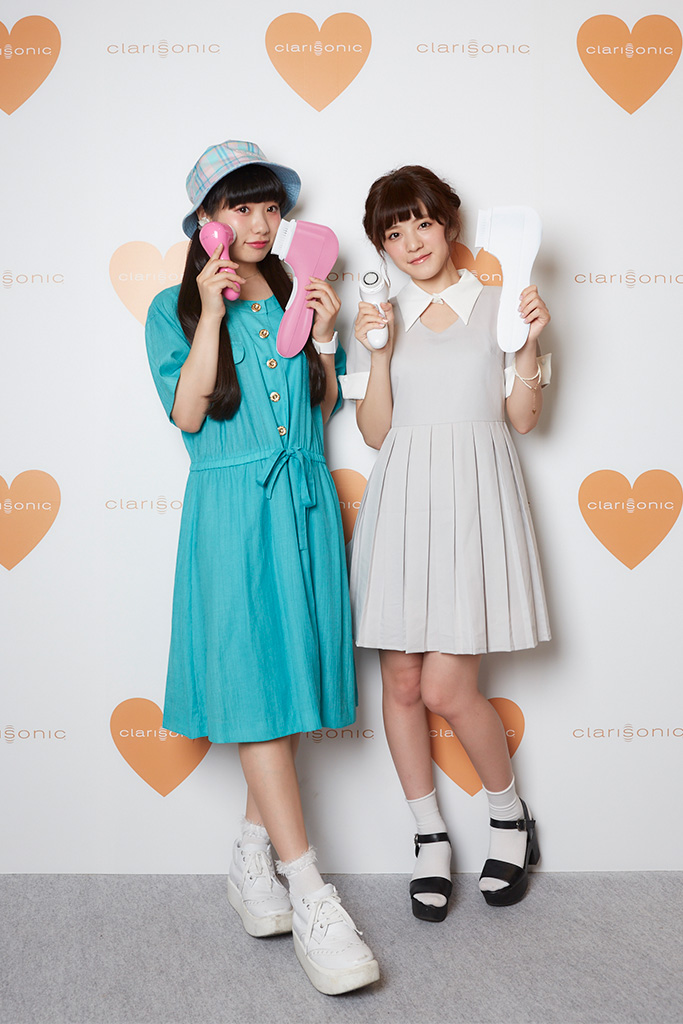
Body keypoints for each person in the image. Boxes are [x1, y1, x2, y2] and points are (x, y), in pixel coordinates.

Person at [145, 139, 379, 994]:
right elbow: (189, 413)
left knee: (283, 687)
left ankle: (251, 857)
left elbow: (322, 404)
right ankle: (310, 890)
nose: (258, 221)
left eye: (270, 206)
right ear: (205, 222)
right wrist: (210, 315)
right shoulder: (171, 308)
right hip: (233, 510)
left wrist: (326, 337)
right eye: (239, 207)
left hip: (305, 503)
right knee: (253, 690)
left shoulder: (293, 290)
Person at [346, 165, 551, 921]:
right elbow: (375, 432)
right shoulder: (383, 314)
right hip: (401, 503)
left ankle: (509, 816)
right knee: (401, 682)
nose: (411, 243)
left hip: (472, 503)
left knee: (445, 689)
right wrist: (376, 352)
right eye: (393, 233)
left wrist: (527, 347)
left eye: (422, 224)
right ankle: (428, 836)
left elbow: (523, 419)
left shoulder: (501, 303)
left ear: (449, 226)